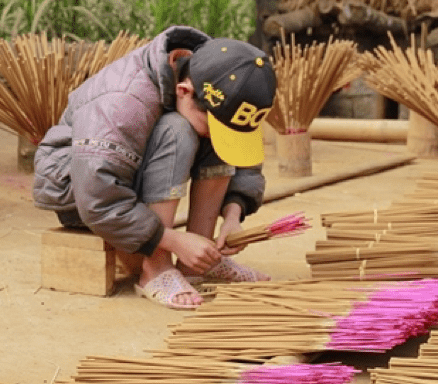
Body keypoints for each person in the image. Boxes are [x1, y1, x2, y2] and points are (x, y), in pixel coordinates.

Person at [33, 26, 277, 310]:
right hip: (79, 190)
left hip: (129, 172)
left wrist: (234, 214)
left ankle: (199, 263)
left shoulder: (221, 77)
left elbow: (241, 153)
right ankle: (156, 269)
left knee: (211, 134)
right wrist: (171, 240)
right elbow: (97, 196)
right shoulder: (123, 102)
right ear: (184, 91)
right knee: (178, 130)